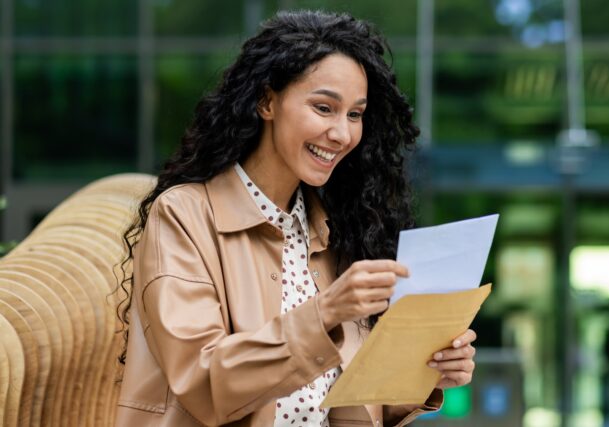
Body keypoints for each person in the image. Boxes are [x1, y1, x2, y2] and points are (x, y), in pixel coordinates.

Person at [115, 10, 477, 427]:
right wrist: (323, 313)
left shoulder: (338, 230)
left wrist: (429, 370)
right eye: (324, 108)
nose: (342, 134)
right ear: (267, 101)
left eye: (355, 114)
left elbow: (344, 402)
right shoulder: (185, 215)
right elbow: (203, 382)